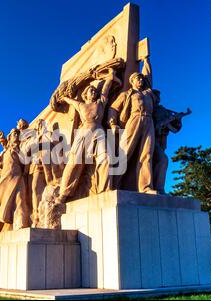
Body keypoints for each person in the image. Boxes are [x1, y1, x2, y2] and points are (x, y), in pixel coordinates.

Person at [55, 76, 114, 204]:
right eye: (91, 91)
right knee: (74, 162)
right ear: (85, 95)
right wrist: (63, 98)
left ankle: (104, 190)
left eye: (94, 91)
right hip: (83, 133)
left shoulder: (100, 103)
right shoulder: (81, 105)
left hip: (99, 132)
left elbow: (105, 89)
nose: (94, 92)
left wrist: (111, 75)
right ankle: (63, 195)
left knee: (106, 159)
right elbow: (70, 101)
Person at [107, 57, 157, 194]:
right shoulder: (127, 94)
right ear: (132, 81)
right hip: (134, 120)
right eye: (138, 79)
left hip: (148, 121)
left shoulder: (148, 93)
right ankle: (114, 184)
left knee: (146, 154)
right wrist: (112, 124)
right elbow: (113, 108)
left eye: (141, 79)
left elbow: (148, 76)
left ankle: (145, 187)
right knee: (125, 152)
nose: (141, 80)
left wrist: (146, 61)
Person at [0, 128, 30, 233]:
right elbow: (4, 150)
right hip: (5, 180)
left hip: (17, 178)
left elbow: (25, 162)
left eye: (17, 134)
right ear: (10, 138)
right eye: (13, 134)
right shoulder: (6, 150)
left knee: (20, 200)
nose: (16, 135)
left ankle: (21, 224)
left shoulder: (22, 148)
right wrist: (2, 139)